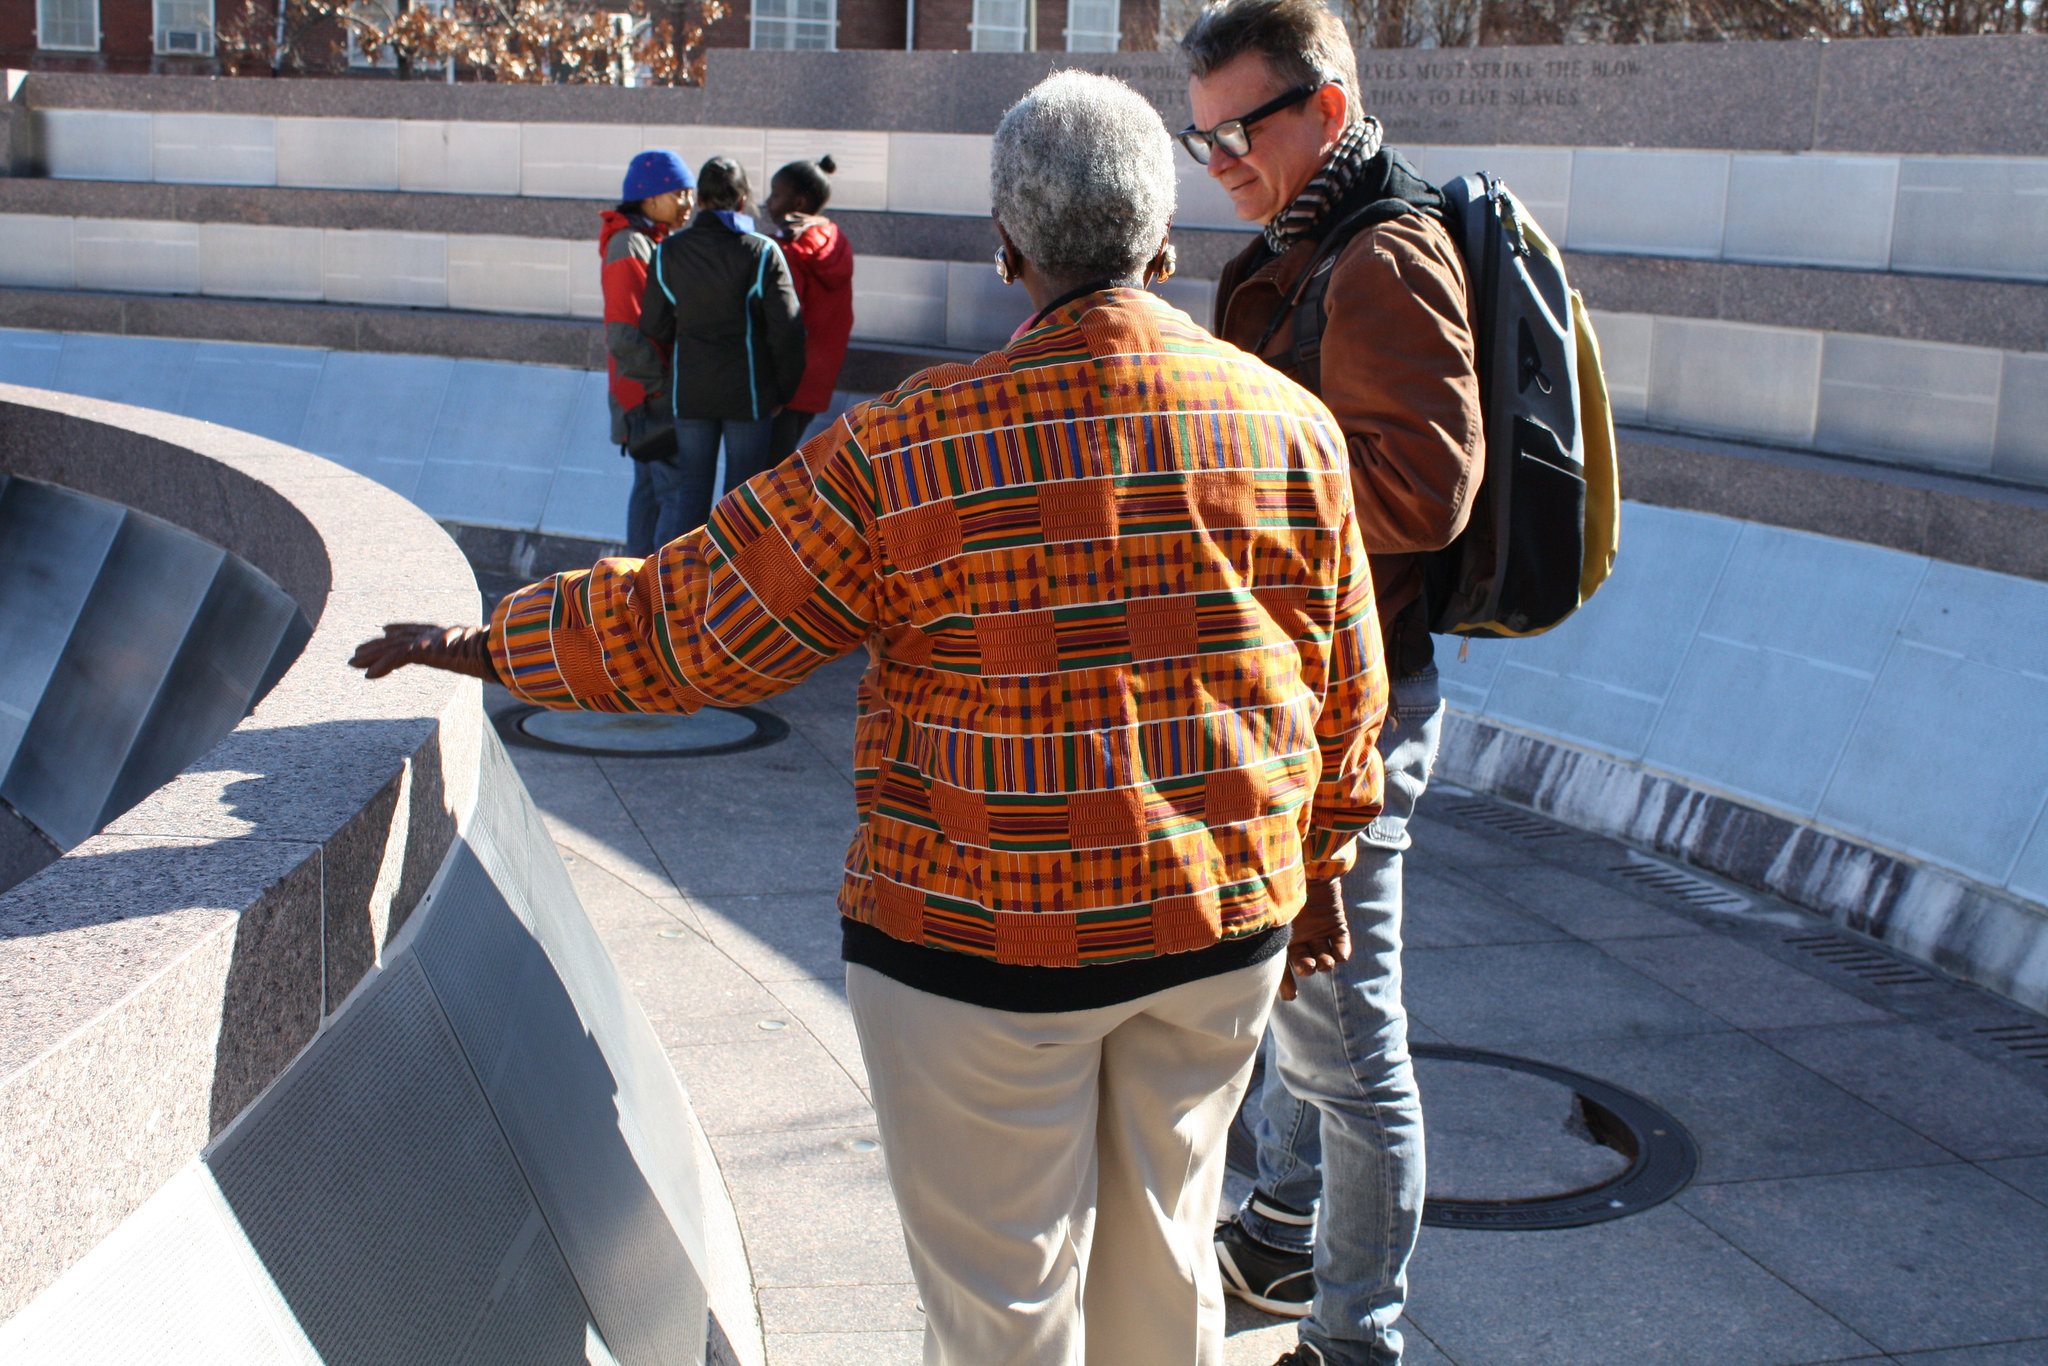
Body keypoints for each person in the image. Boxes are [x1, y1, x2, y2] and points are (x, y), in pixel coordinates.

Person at [349, 68, 1389, 1366]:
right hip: (1218, 927)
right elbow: (1349, 687)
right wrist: (1328, 862)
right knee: (1164, 1258)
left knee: (1001, 1307)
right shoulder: (1291, 431)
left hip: (973, 943)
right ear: (1169, 247)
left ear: (1008, 251)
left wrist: (490, 641)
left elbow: (697, 627)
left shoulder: (908, 449)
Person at [1181, 1, 1485, 1363]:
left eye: (1244, 127)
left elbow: (1425, 487)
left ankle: (1359, 1339)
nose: (1225, 158)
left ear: (1329, 104)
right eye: (1204, 141)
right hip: (1299, 683)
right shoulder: (1311, 242)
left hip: (1352, 702)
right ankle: (1285, 1230)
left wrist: (1233, 496)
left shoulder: (1384, 254)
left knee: (1348, 1043)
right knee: (1304, 1002)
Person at [628, 154, 805, 539]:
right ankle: (732, 590)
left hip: (690, 392)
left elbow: (653, 324)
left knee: (690, 496)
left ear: (702, 200)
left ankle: (681, 590)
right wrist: (783, 390)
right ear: (742, 200)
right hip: (750, 395)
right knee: (741, 503)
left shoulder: (668, 252)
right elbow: (788, 330)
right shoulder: (761, 252)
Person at [603, 149, 695, 557]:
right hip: (649, 396)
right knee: (672, 491)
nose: (688, 203)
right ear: (650, 196)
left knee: (649, 489)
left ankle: (632, 587)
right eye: (680, 193)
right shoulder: (629, 244)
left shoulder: (647, 240)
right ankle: (662, 592)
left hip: (643, 392)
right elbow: (624, 333)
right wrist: (662, 388)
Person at [762, 156, 855, 463]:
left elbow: (784, 320)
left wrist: (776, 387)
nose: (767, 202)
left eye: (775, 194)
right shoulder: (835, 240)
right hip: (817, 380)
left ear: (798, 201)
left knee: (764, 476)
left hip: (785, 383)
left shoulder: (786, 250)